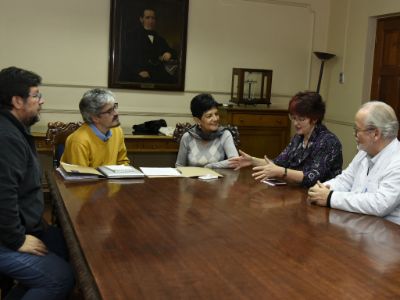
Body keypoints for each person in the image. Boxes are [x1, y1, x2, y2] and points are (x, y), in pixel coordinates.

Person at [0, 66, 74, 299]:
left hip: (22, 225)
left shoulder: (14, 129)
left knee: (65, 246)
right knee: (61, 278)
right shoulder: (6, 137)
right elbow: (3, 194)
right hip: (6, 235)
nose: (41, 101)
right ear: (17, 101)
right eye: (36, 95)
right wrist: (17, 240)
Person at [308, 101, 400, 225]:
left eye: (357, 130)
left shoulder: (397, 160)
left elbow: (380, 204)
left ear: (375, 134)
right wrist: (321, 189)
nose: (354, 135)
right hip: (359, 225)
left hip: (387, 235)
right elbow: (345, 180)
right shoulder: (364, 152)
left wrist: (330, 198)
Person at [229, 91, 343, 187]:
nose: (295, 123)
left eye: (301, 119)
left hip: (320, 198)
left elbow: (312, 177)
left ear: (315, 118)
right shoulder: (298, 138)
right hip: (297, 193)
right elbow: (278, 163)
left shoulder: (328, 141)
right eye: (293, 118)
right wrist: (252, 161)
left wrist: (282, 172)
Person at [61, 88, 130, 168]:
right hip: (88, 180)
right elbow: (81, 177)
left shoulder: (117, 130)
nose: (116, 113)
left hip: (112, 179)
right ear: (95, 118)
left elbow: (122, 162)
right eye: (109, 111)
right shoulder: (79, 141)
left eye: (115, 107)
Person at [175, 93, 239, 168]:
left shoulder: (224, 134)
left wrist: (211, 166)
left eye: (216, 114)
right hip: (192, 179)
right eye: (209, 116)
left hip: (219, 179)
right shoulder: (188, 137)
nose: (215, 119)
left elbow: (235, 161)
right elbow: (179, 165)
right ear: (197, 120)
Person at [120, 7, 177, 83]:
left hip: (155, 74)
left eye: (153, 18)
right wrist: (138, 71)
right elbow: (126, 58)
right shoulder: (131, 36)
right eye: (147, 18)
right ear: (141, 19)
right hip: (136, 74)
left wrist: (169, 53)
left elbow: (172, 52)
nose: (151, 21)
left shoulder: (159, 39)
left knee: (172, 81)